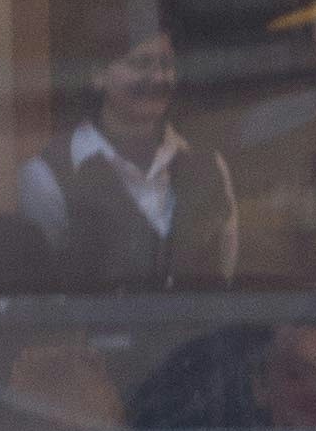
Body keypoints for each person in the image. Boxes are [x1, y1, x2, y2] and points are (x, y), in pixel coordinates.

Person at [16, 27, 239, 293]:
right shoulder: (47, 175)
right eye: (140, 64)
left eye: (166, 65)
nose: (157, 78)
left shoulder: (209, 165)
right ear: (98, 75)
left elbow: (225, 272)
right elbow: (47, 296)